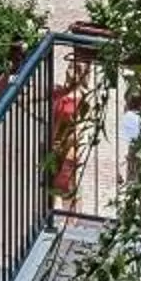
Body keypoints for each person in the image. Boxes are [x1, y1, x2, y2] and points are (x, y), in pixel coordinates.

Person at [49, 53, 93, 206]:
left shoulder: (83, 97)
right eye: (69, 67)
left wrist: (75, 145)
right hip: (55, 142)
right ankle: (56, 212)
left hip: (69, 143)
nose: (69, 72)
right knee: (53, 183)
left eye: (74, 69)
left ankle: (72, 215)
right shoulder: (60, 92)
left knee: (68, 182)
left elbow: (82, 125)